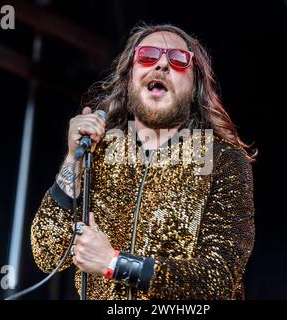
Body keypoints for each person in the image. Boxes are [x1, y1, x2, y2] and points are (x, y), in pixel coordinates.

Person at [30, 23, 255, 300]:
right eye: (148, 55)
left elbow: (218, 278)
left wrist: (115, 263)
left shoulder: (222, 158)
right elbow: (47, 253)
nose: (161, 64)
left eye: (177, 59)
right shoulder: (97, 151)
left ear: (194, 83)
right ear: (129, 77)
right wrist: (72, 160)